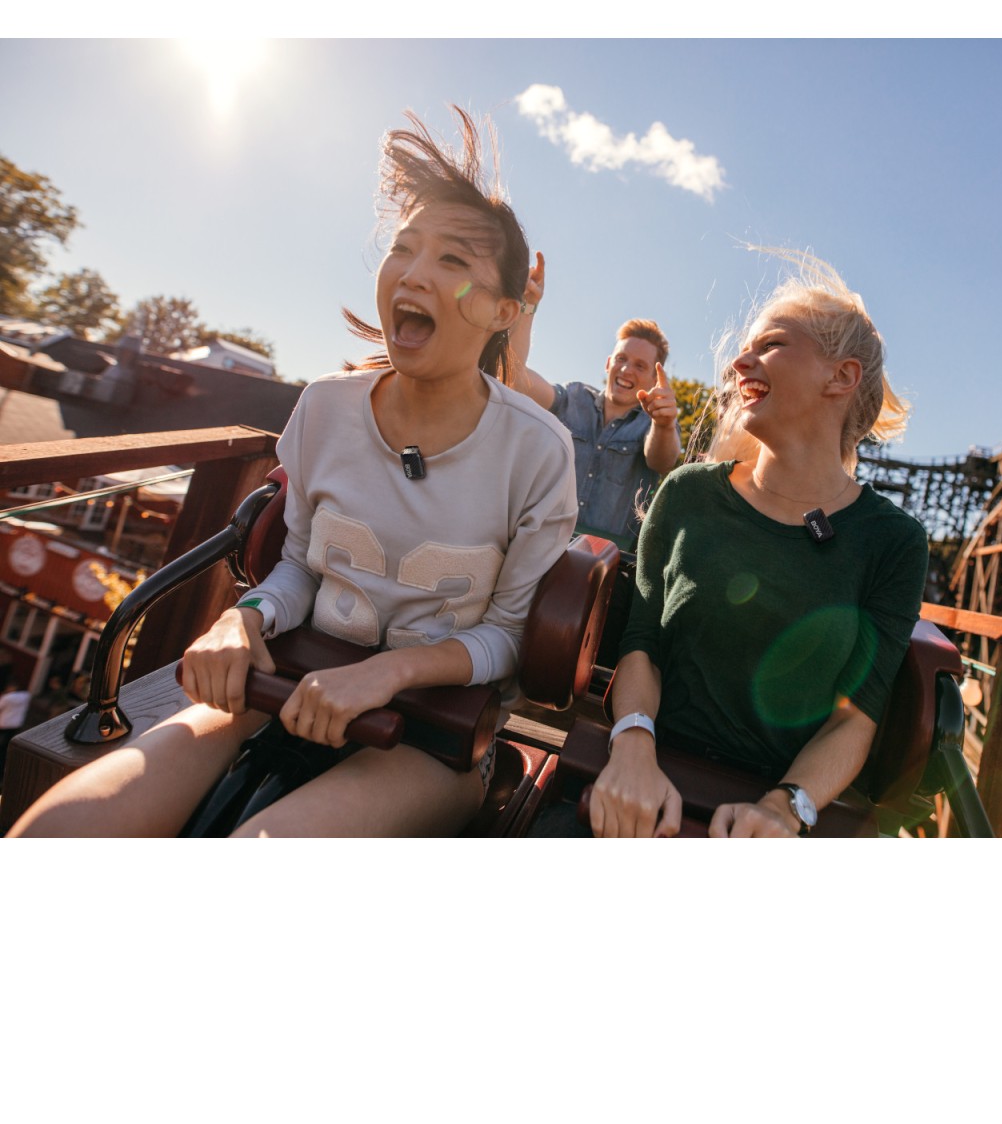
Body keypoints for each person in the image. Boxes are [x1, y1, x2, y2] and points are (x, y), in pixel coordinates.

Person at [10, 107, 577, 839]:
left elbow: (507, 640)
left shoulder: (538, 450)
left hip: (434, 735)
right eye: (404, 248)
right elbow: (302, 569)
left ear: (503, 310)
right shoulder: (324, 407)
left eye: (453, 261)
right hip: (288, 680)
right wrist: (241, 618)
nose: (413, 273)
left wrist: (389, 672)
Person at [580, 248, 929, 837]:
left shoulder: (893, 542)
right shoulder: (689, 493)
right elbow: (643, 642)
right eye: (746, 347)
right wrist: (633, 747)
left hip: (771, 814)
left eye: (771, 345)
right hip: (644, 777)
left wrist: (784, 808)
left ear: (841, 377)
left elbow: (856, 716)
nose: (740, 361)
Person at [508, 252, 680, 547]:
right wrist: (527, 307)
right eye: (621, 359)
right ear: (608, 363)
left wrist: (664, 425)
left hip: (607, 562)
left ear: (654, 379)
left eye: (640, 366)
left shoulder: (654, 424)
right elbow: (514, 378)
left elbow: (662, 461)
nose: (626, 370)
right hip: (537, 544)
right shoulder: (573, 397)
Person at [0, 679, 32, 771]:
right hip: (16, 724)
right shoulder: (26, 696)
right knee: (7, 744)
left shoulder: (7, 698)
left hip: (4, 723)